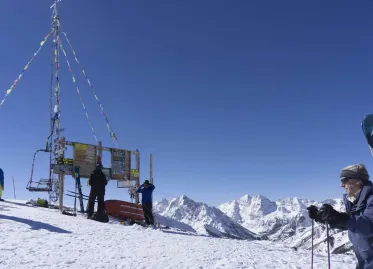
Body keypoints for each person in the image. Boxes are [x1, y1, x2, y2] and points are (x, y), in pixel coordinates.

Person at [307, 164, 373, 269]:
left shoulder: (370, 199)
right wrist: (323, 218)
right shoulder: (356, 202)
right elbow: (352, 225)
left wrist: (340, 217)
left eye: (344, 180)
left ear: (358, 180)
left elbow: (368, 225)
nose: (342, 185)